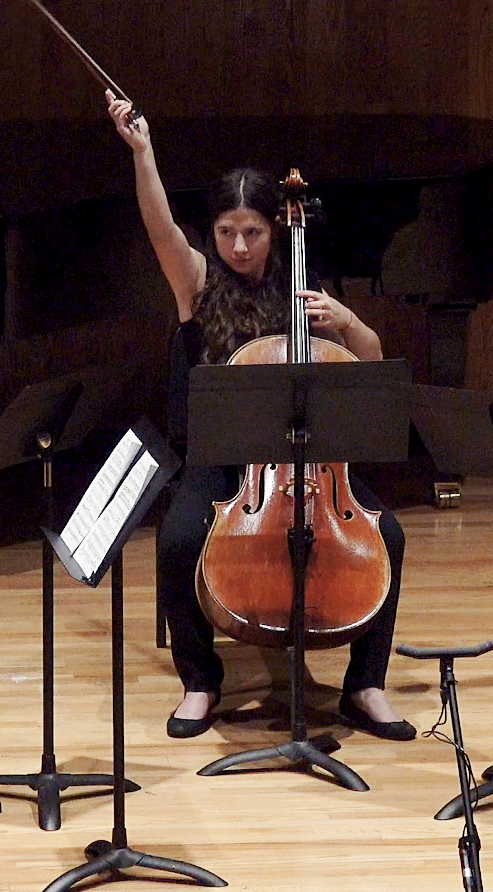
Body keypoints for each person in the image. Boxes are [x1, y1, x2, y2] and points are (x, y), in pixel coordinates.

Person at [105, 91, 413, 741]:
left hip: (311, 463)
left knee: (388, 534)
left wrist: (349, 321)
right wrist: (143, 154)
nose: (239, 246)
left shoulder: (303, 287)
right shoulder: (196, 282)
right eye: (226, 232)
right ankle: (200, 679)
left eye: (252, 232)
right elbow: (160, 225)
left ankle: (365, 685)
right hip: (221, 464)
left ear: (276, 229)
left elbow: (370, 361)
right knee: (178, 539)